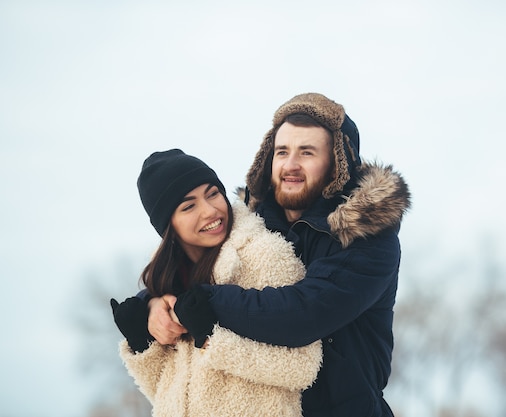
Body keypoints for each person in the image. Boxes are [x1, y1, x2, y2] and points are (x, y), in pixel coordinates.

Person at [147, 93, 411, 416]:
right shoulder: (250, 225)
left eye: (307, 152)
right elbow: (190, 266)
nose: (290, 165)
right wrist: (151, 305)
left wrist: (205, 301)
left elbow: (304, 314)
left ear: (338, 164)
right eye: (282, 151)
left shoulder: (368, 236)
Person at [110, 149, 323, 417]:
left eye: (212, 194)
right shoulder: (170, 281)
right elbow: (171, 394)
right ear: (167, 225)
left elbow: (303, 367)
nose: (210, 211)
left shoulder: (264, 255)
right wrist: (143, 345)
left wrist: (211, 338)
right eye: (189, 206)